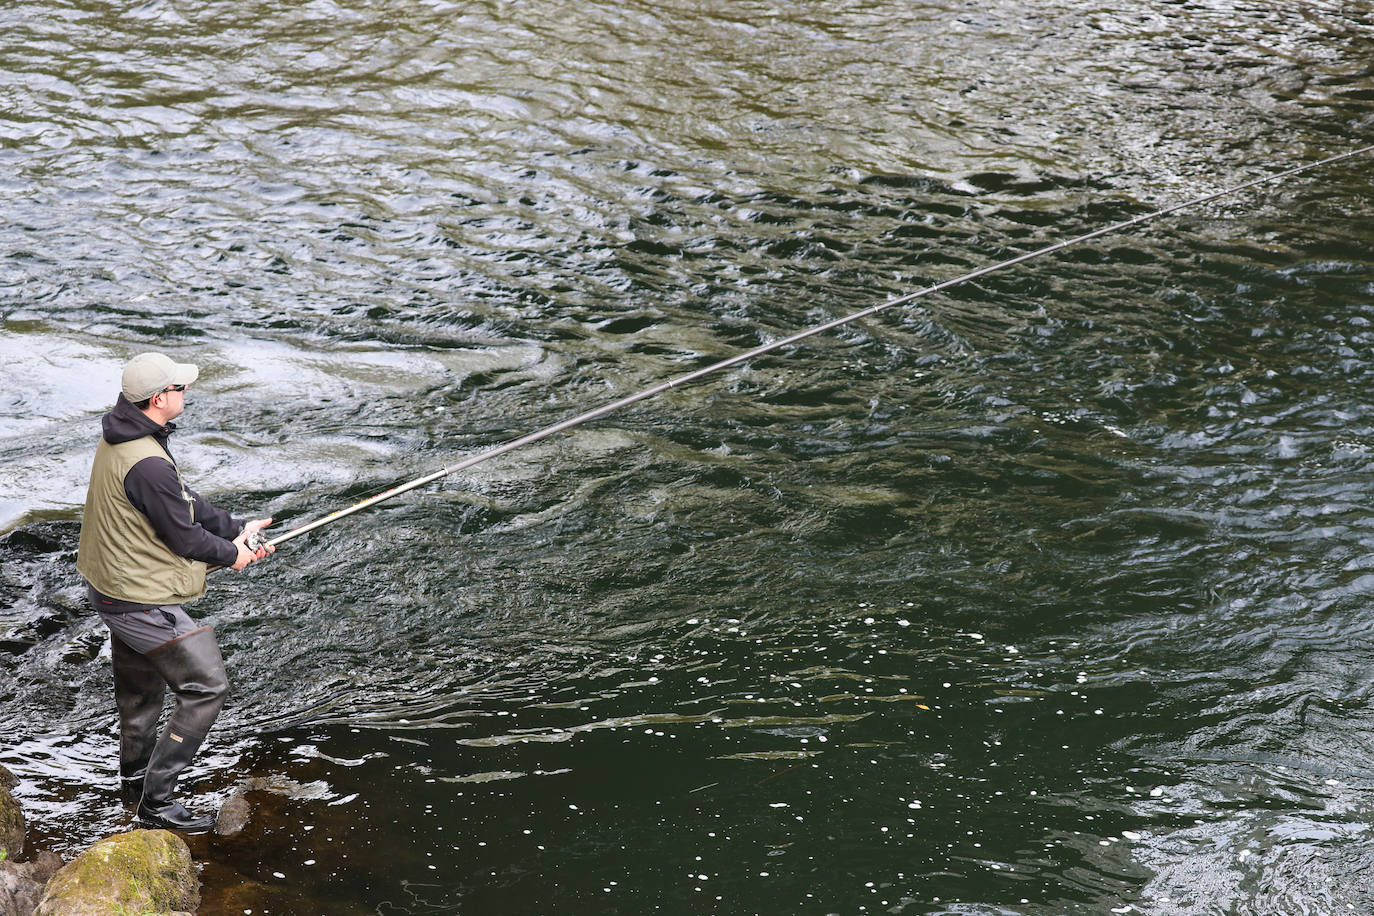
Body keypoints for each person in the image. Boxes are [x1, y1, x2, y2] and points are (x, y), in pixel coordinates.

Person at [76, 352, 274, 834]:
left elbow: (183, 503)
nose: (186, 394)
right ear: (159, 398)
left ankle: (135, 782)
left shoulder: (127, 437)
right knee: (206, 687)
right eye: (180, 389)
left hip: (114, 586)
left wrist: (236, 529)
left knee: (142, 693)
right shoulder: (147, 461)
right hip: (136, 598)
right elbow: (183, 538)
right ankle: (156, 802)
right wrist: (235, 555)